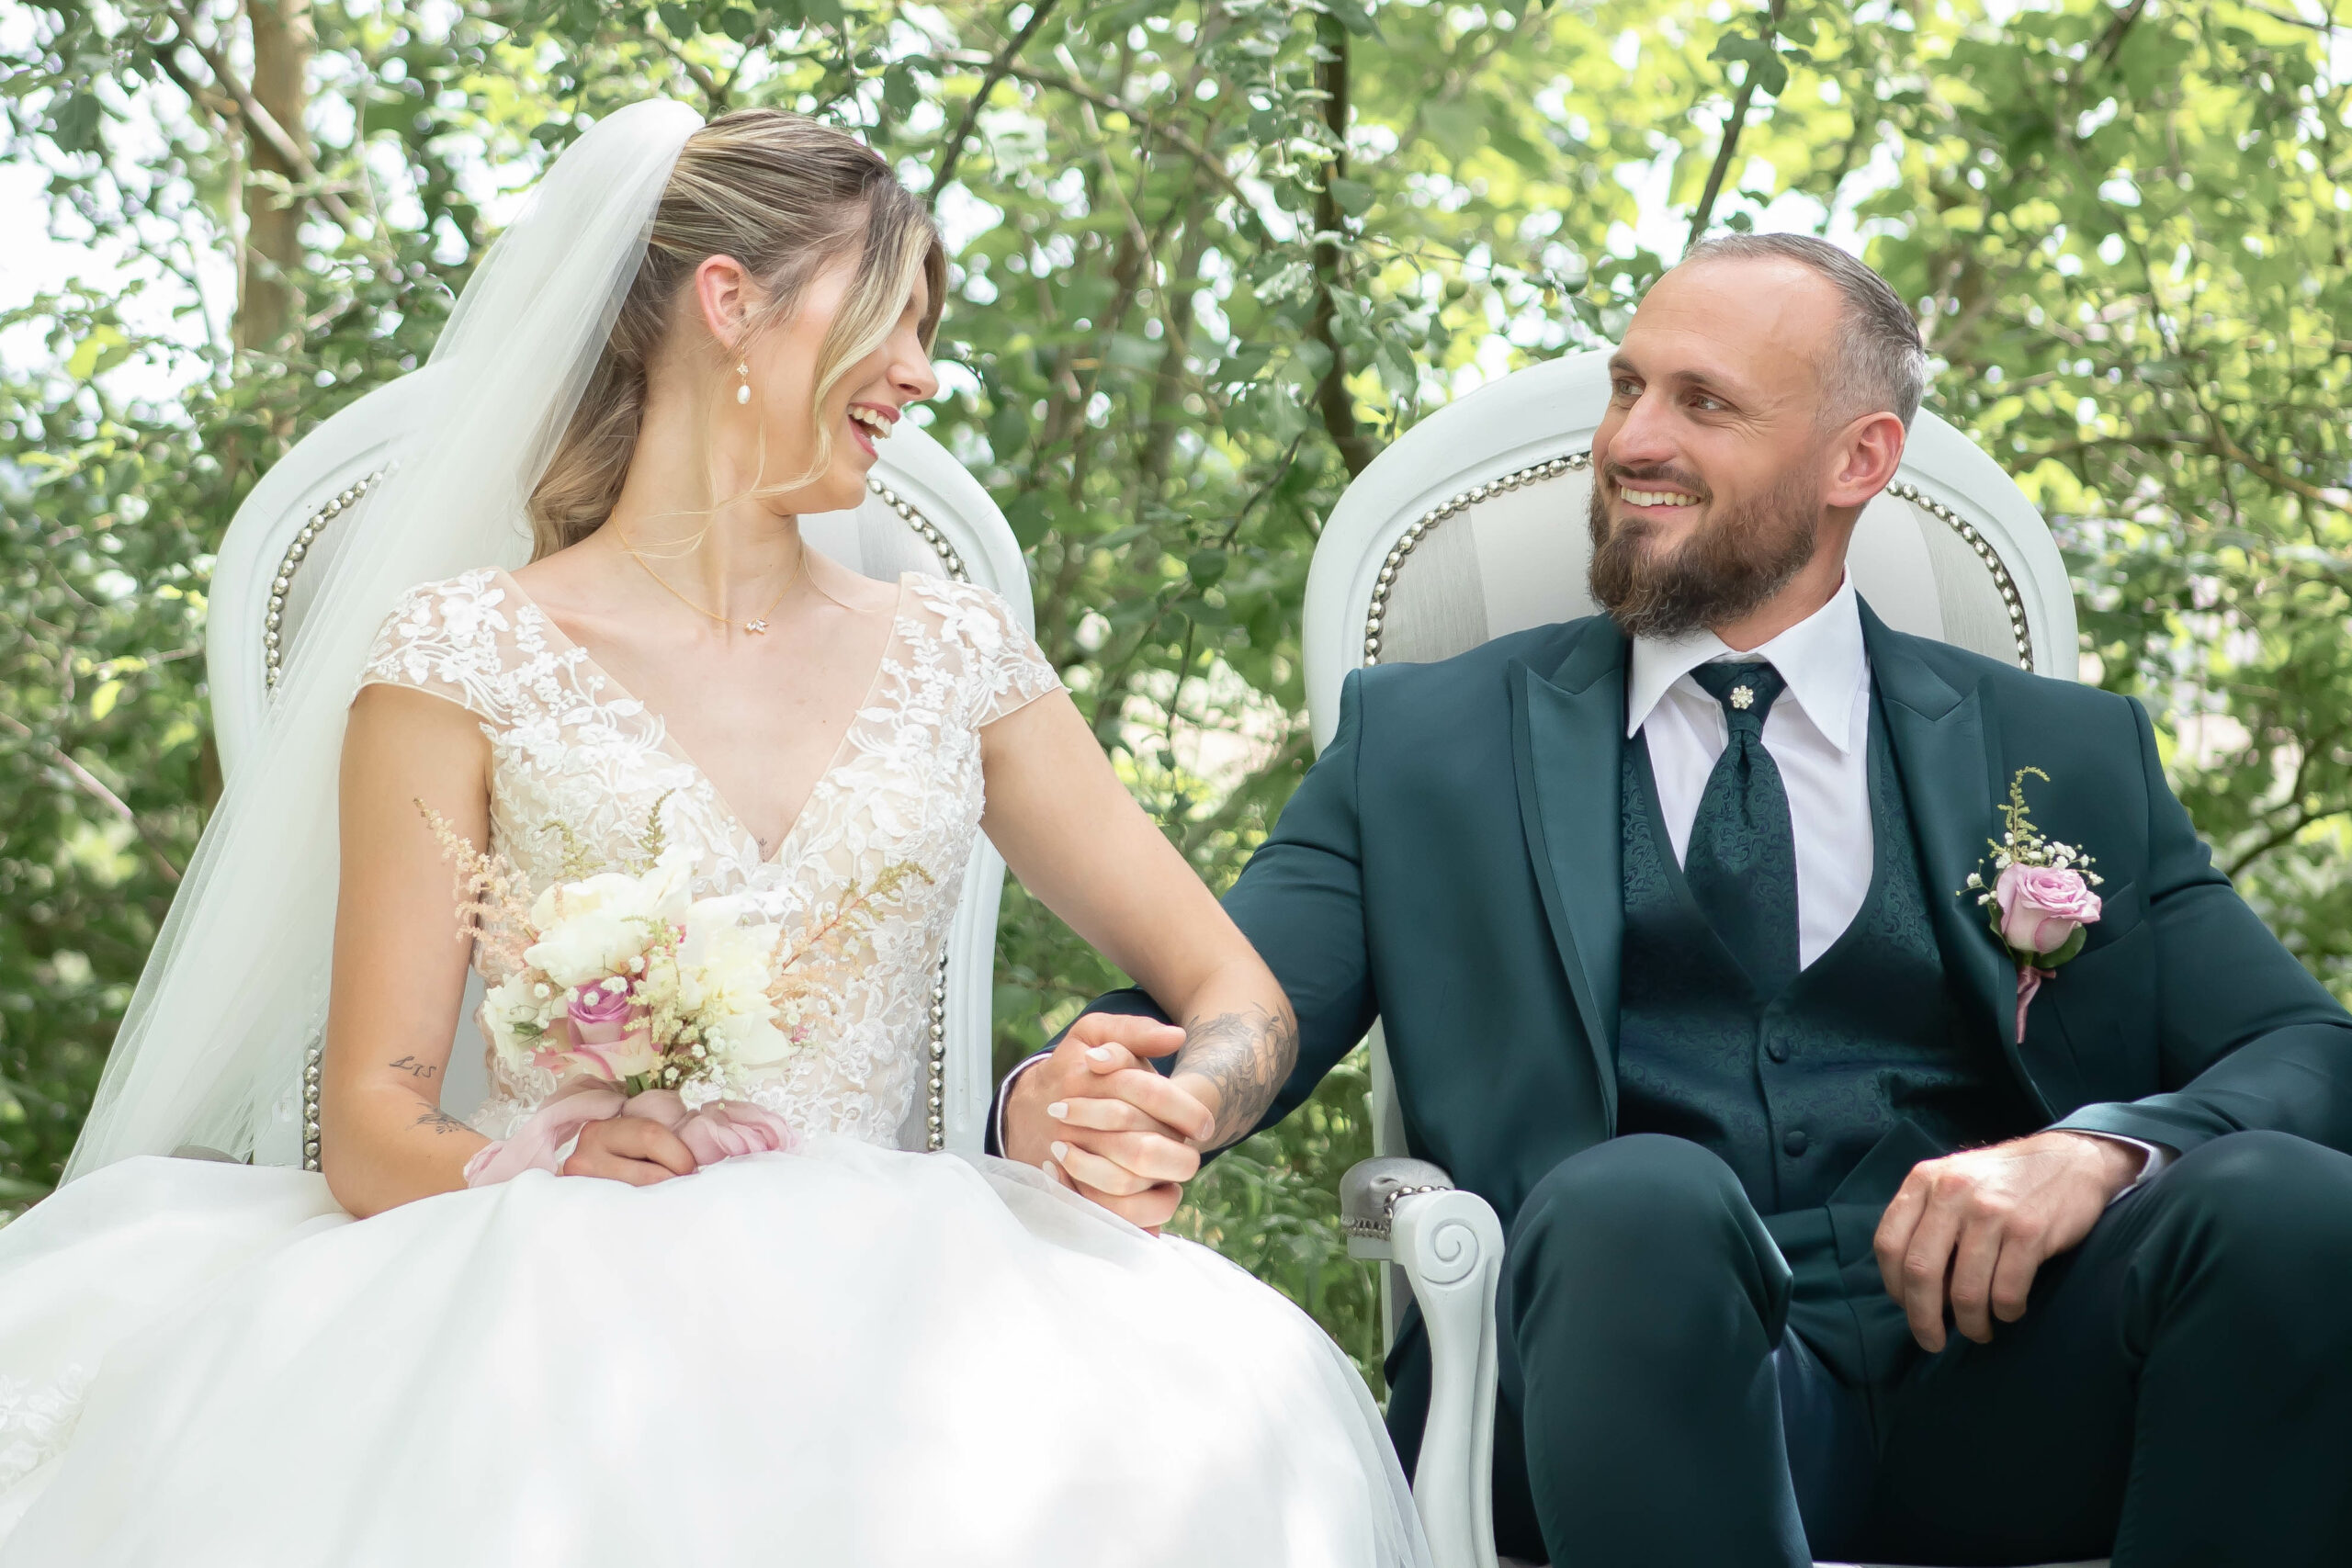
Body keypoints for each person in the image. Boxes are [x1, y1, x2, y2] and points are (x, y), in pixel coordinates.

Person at [0, 102, 1427, 1567]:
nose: (922, 374)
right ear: (731, 303)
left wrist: (1177, 1109)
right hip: (545, 1279)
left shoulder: (960, 658)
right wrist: (546, 1174)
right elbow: (374, 1117)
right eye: (891, 316)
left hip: (909, 1299)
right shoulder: (461, 656)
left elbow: (1239, 998)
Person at [1000, 233, 2352, 1566]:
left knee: (2289, 1207)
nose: (1632, 438)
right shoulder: (1428, 743)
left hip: (2004, 1393)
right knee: (1638, 1198)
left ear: (1857, 459)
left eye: (1703, 402)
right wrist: (1085, 1092)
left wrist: (2099, 1150)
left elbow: (2311, 1054)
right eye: (1626, 386)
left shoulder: (2057, 751)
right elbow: (1239, 1003)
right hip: (1624, 1393)